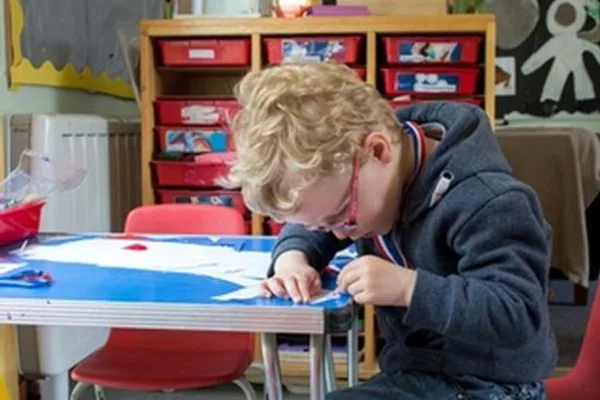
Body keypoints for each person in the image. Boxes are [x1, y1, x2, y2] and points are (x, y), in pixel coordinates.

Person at [225, 62, 557, 399]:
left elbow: (520, 313)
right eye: (322, 224)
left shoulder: (489, 201)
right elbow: (318, 220)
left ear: (378, 151)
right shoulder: (370, 180)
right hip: (417, 371)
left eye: (341, 217)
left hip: (493, 383)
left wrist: (409, 289)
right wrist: (293, 258)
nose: (337, 234)